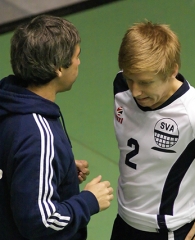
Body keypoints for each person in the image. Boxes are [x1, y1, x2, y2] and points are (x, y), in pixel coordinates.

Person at [110, 21, 195, 240]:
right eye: (130, 79)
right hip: (123, 224)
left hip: (171, 233)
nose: (135, 91)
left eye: (145, 83)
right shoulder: (121, 86)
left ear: (172, 71)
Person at [0, 15, 113, 240]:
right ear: (58, 68)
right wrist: (89, 200)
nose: (79, 62)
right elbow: (40, 221)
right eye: (76, 56)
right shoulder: (38, 136)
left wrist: (56, 167)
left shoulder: (9, 105)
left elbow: (13, 161)